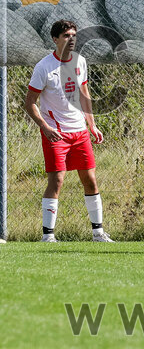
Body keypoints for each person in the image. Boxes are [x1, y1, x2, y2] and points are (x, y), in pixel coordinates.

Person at [24, 19, 112, 242]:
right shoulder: (43, 67)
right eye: (66, 35)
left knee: (90, 179)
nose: (71, 39)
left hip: (80, 132)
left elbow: (85, 95)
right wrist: (45, 127)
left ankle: (98, 233)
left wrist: (92, 124)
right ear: (55, 39)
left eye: (74, 35)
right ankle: (48, 236)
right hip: (56, 133)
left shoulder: (80, 61)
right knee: (57, 180)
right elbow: (30, 102)